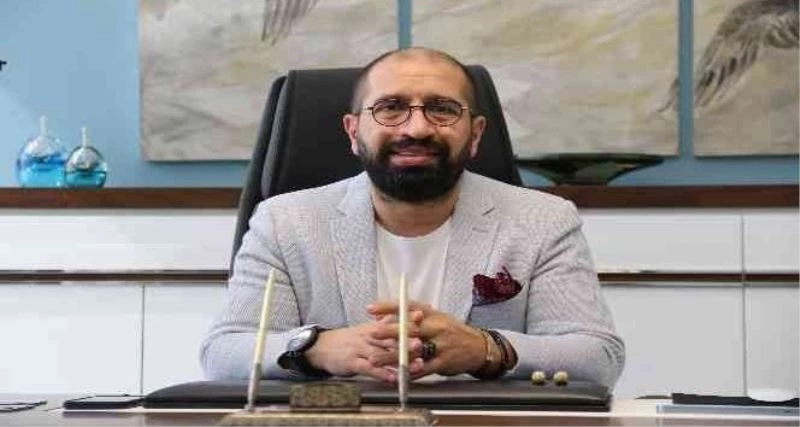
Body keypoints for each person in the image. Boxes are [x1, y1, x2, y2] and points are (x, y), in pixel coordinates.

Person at [200, 46, 625, 388]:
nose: (417, 128)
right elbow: (223, 352)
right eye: (391, 107)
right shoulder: (284, 222)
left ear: (475, 134)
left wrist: (485, 349)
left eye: (442, 109)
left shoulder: (542, 220)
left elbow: (598, 356)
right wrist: (316, 348)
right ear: (353, 131)